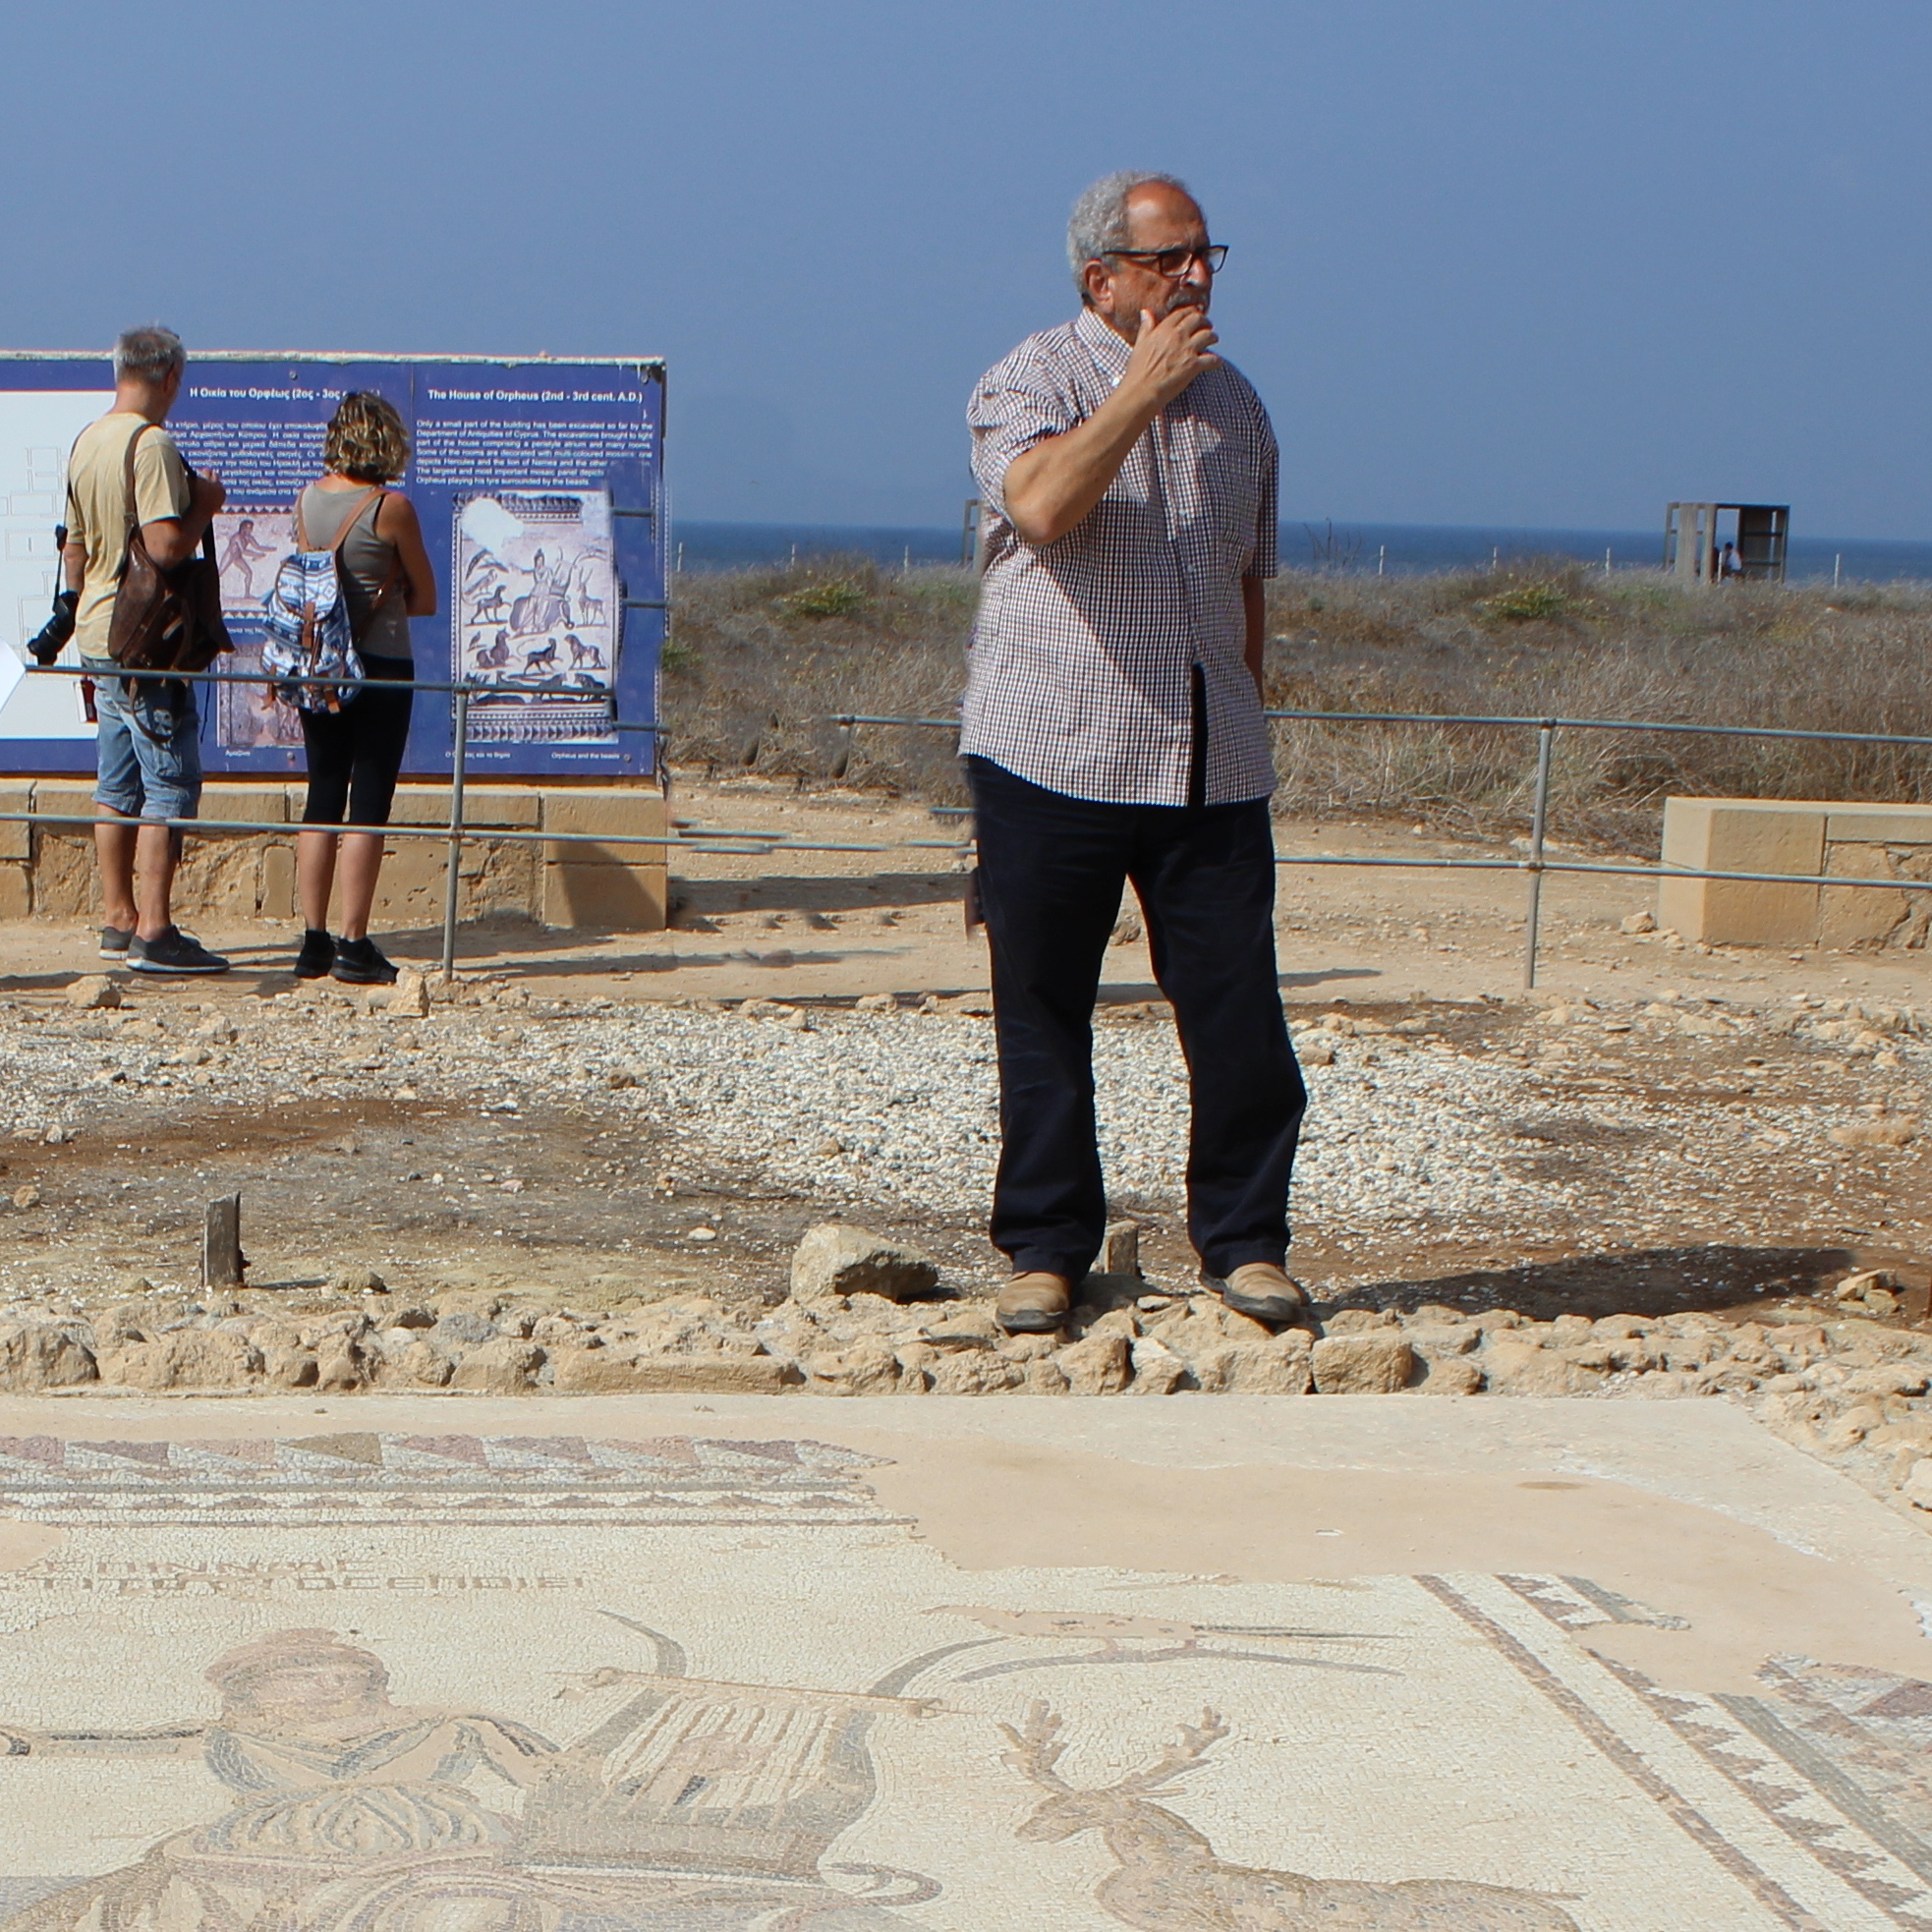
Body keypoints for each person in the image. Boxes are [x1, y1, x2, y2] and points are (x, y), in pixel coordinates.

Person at [962, 171, 1306, 1335]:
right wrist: (1137, 394)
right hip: (1050, 749)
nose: (1197, 278)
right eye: (1170, 260)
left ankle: (1246, 1242)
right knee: (1043, 1006)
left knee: (1236, 1010)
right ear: (1100, 278)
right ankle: (1047, 1251)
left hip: (1209, 757)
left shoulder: (1240, 407)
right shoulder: (1025, 379)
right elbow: (1043, 507)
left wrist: (1249, 709)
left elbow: (1246, 582)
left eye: (1209, 254)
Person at [59, 326, 229, 974]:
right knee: (169, 781)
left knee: (115, 780)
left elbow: (73, 548)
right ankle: (155, 932)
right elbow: (164, 547)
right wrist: (206, 506)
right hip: (147, 644)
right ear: (169, 378)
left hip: (99, 630)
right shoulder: (151, 444)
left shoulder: (88, 439)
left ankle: (117, 916)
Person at [292, 391, 437, 985]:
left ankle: (312, 940)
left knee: (321, 795)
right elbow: (425, 599)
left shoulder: (306, 500)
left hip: (321, 666)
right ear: (385, 440)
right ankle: (355, 942)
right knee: (368, 802)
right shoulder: (391, 507)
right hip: (379, 665)